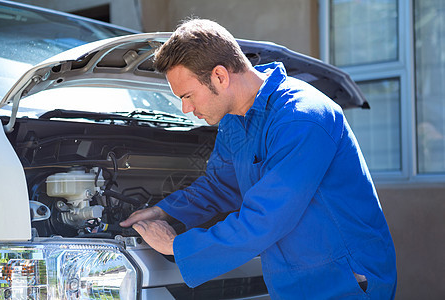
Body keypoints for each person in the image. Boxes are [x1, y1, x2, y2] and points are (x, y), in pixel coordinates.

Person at [120, 19, 397, 299]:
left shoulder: (302, 117)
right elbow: (220, 186)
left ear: (220, 76)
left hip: (343, 281)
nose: (186, 108)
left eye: (188, 96)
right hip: (292, 282)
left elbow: (266, 219)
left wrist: (176, 246)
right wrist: (164, 211)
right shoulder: (235, 119)